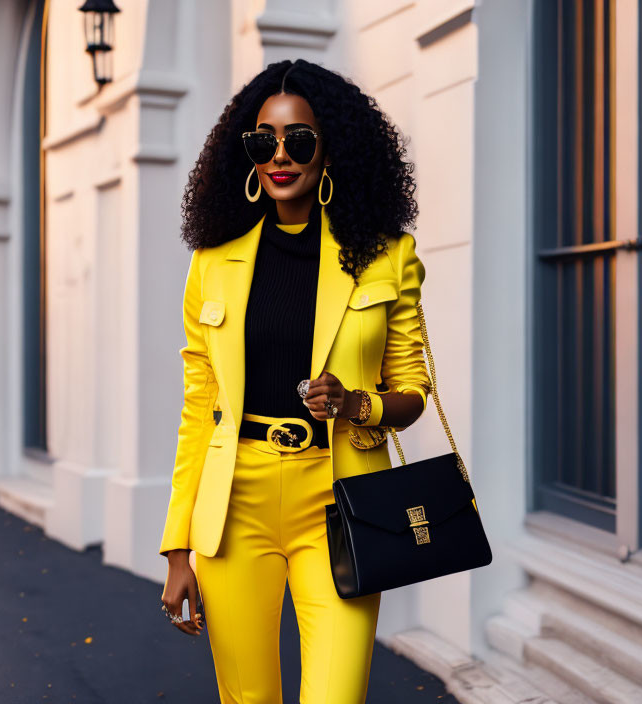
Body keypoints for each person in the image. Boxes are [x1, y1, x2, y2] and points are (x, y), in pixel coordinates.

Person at [159, 58, 431, 704]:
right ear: (247, 154)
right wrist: (176, 549)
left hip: (340, 502)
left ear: (329, 149)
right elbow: (199, 407)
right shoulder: (212, 265)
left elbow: (414, 391)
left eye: (299, 140)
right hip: (236, 504)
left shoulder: (386, 256)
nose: (281, 156)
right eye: (264, 142)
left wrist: (355, 401)